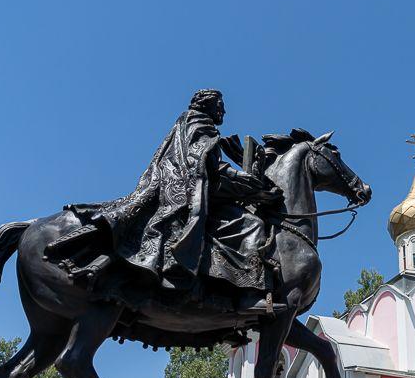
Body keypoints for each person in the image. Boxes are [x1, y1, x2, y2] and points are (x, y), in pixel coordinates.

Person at [47, 88, 283, 314]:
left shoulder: (189, 123)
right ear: (208, 105)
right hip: (186, 193)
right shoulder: (201, 125)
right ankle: (247, 295)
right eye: (220, 105)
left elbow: (208, 168)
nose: (224, 111)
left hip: (179, 188)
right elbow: (205, 169)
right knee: (251, 224)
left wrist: (245, 182)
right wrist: (250, 184)